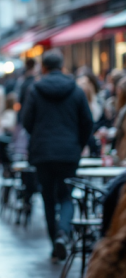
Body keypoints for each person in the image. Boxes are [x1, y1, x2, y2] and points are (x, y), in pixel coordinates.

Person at [22, 50, 93, 262]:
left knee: (48, 198)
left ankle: (55, 243)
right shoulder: (76, 91)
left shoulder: (35, 90)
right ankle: (63, 232)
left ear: (43, 67)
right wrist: (78, 144)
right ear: (62, 66)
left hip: (43, 152)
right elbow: (87, 122)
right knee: (66, 195)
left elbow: (26, 121)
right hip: (68, 151)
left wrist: (38, 137)